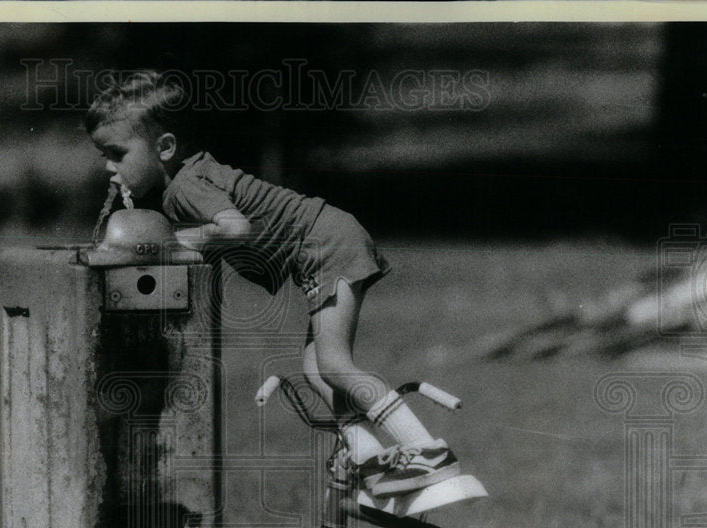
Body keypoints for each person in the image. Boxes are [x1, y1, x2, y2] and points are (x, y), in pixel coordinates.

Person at [86, 71, 459, 495]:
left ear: (165, 147)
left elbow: (236, 228)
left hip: (327, 245)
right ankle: (369, 455)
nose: (108, 168)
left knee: (334, 364)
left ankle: (427, 451)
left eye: (116, 154)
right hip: (327, 241)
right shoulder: (191, 174)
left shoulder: (184, 188)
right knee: (316, 370)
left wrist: (172, 241)